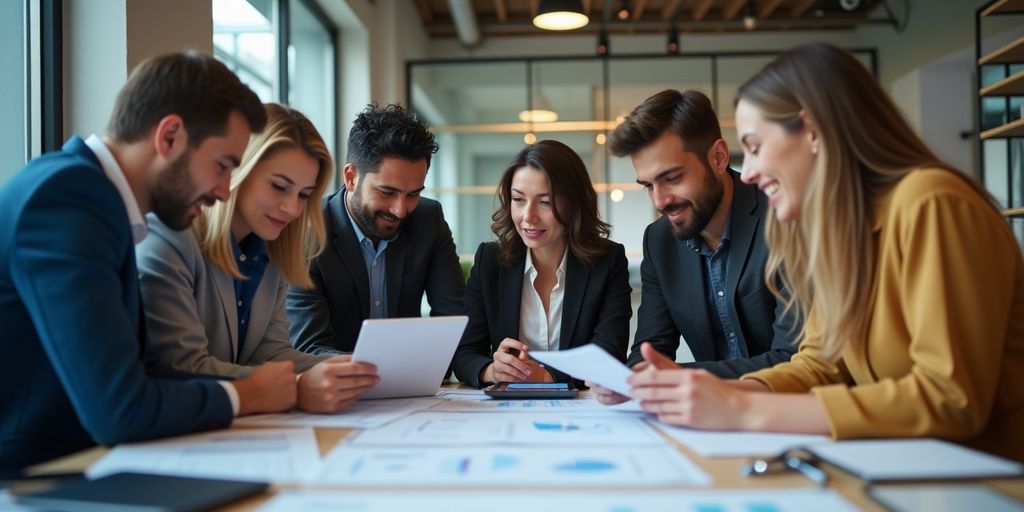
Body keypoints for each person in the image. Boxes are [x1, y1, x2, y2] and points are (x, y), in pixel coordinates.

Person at [628, 43, 1024, 463]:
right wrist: (722, 393)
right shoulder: (838, 232)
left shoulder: (931, 203)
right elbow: (817, 365)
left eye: (757, 146)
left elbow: (950, 398)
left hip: (983, 480)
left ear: (813, 130)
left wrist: (742, 408)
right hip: (903, 468)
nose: (754, 171)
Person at [0, 52, 298, 472]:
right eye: (222, 166)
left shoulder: (93, 199)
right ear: (170, 136)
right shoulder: (67, 201)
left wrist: (265, 386)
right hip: (31, 479)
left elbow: (146, 374)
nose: (224, 192)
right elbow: (119, 408)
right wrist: (246, 395)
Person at [137, 103, 379, 413]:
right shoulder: (168, 237)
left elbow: (270, 353)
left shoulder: (271, 248)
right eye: (279, 187)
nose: (292, 209)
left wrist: (355, 369)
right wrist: (297, 387)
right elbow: (183, 367)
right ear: (236, 171)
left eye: (304, 195)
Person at [592, 89, 798, 405]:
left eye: (672, 178)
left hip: (790, 409)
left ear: (718, 158)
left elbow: (793, 358)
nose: (660, 200)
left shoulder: (784, 217)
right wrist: (630, 378)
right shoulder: (660, 241)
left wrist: (676, 378)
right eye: (648, 185)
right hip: (708, 420)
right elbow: (650, 350)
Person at [286, 104, 464, 354]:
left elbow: (454, 320)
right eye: (387, 192)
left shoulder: (428, 220)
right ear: (351, 178)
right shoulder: (307, 231)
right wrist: (383, 372)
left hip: (414, 386)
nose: (400, 210)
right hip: (342, 390)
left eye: (413, 194)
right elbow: (310, 347)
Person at [452, 140, 632, 387]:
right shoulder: (489, 261)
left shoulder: (608, 261)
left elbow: (610, 354)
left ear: (574, 203)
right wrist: (493, 370)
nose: (528, 217)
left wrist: (547, 377)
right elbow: (464, 354)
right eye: (518, 199)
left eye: (545, 202)